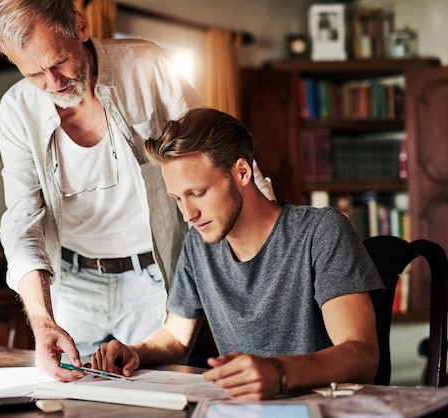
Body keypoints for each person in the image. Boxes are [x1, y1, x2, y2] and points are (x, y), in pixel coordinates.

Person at [0, 0, 275, 382]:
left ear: (80, 27)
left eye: (58, 62)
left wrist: (278, 233)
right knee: (70, 403)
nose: (53, 83)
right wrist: (44, 321)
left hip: (153, 278)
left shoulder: (147, 66)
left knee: (153, 396)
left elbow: (219, 150)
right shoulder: (15, 112)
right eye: (34, 74)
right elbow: (21, 222)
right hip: (73, 283)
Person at [91, 107, 385, 400]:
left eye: (198, 193)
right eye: (177, 199)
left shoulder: (321, 231)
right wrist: (134, 352)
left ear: (242, 172)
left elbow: (361, 356)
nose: (188, 214)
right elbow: (176, 337)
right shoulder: (198, 244)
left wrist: (278, 373)